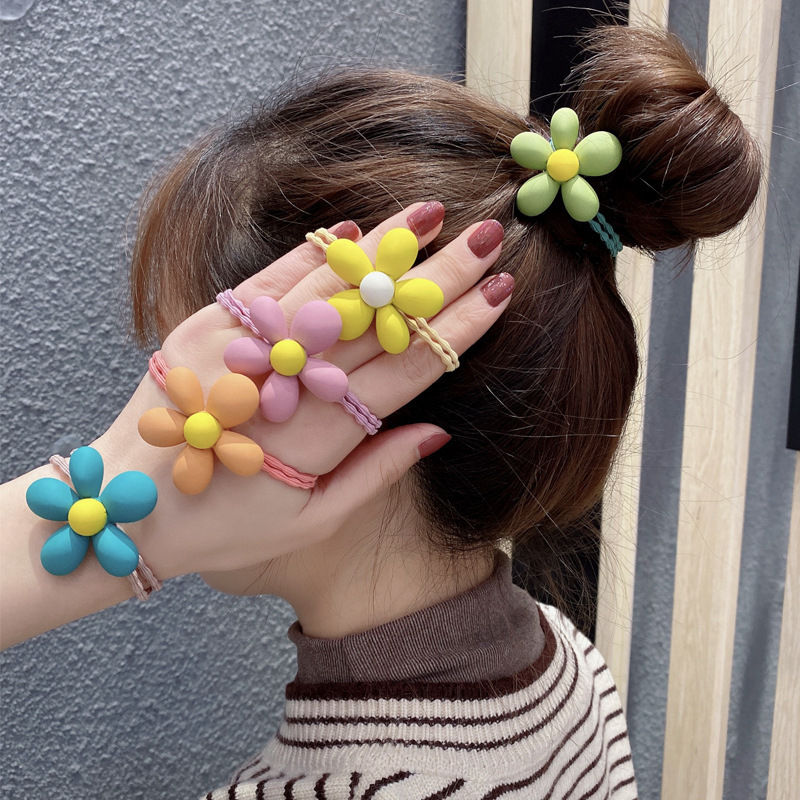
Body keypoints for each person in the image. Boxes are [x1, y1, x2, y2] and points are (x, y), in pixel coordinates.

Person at [0, 24, 761, 799]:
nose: (152, 429)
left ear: (345, 427)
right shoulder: (571, 665)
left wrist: (118, 518)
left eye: (199, 378)